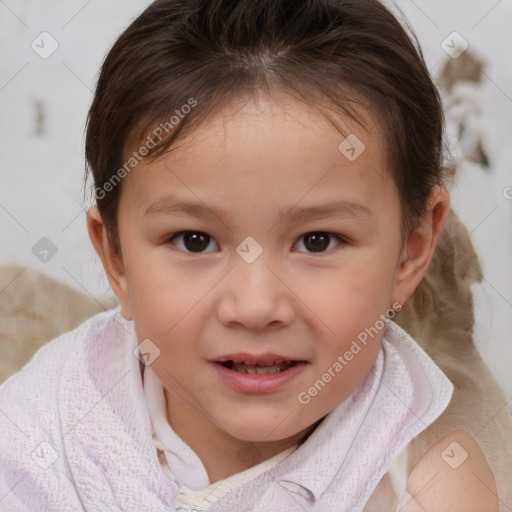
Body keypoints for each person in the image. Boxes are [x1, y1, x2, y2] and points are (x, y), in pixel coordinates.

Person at [0, 0, 501, 510]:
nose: (255, 306)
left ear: (410, 251)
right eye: (194, 241)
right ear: (116, 256)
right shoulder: (47, 429)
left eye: (317, 241)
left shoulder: (424, 484)